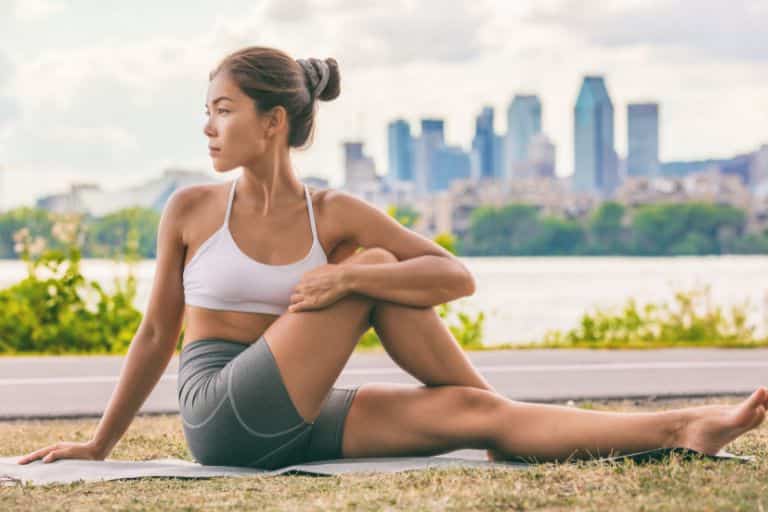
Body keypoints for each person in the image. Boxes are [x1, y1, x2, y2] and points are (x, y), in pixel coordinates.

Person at [17, 46, 767, 469]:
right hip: (223, 415)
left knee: (464, 403)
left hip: (296, 417)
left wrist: (351, 273)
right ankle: (511, 417)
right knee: (376, 265)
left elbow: (455, 277)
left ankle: (678, 427)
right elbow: (156, 336)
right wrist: (99, 444)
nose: (207, 126)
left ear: (273, 122)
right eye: (208, 109)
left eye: (222, 109)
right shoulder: (190, 209)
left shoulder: (333, 213)